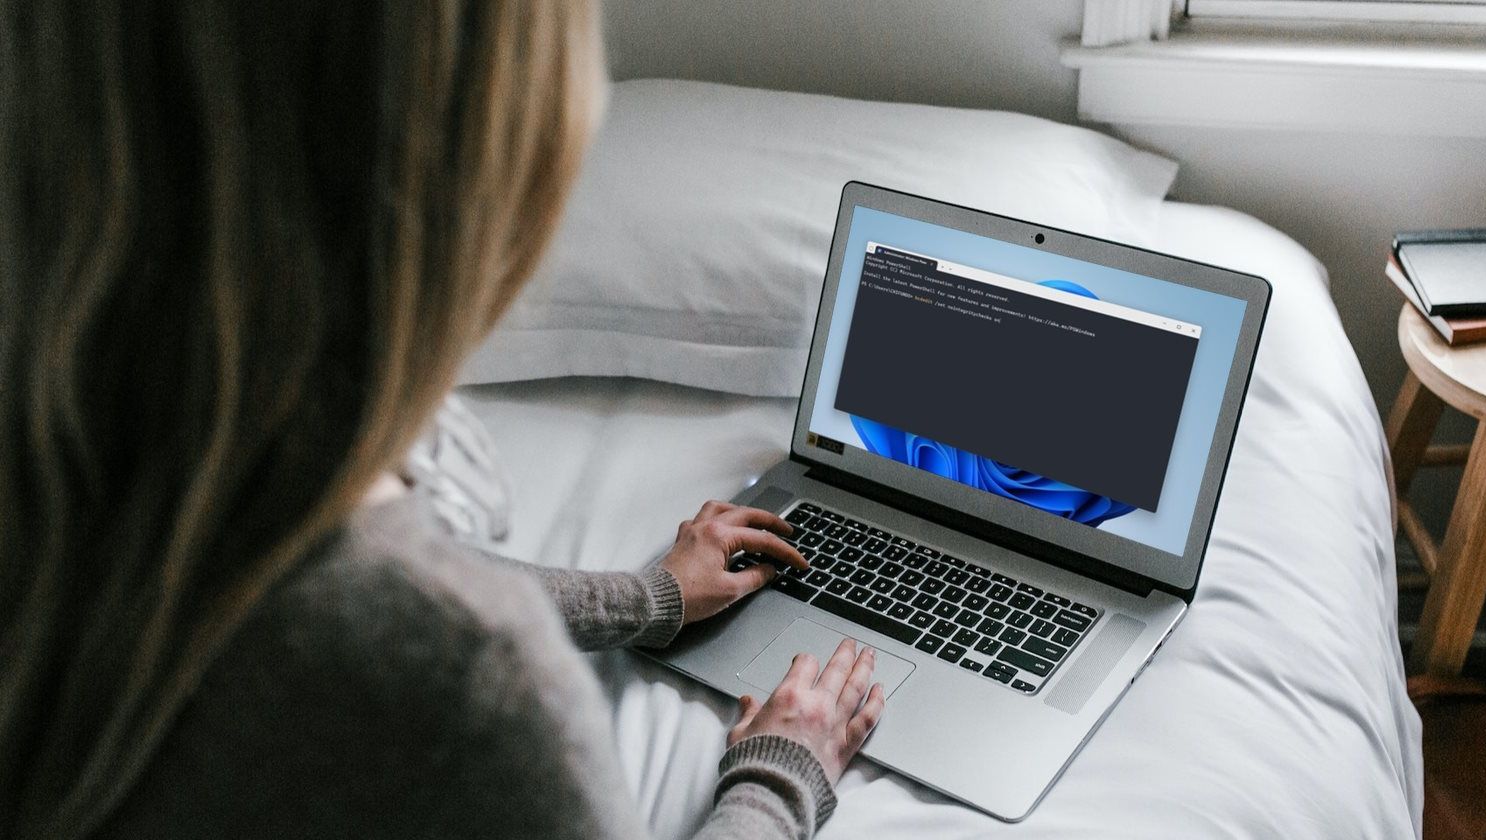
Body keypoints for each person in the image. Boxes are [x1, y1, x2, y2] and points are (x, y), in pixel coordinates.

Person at [0, 2, 882, 839]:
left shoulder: (83, 453)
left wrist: (643, 598)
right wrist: (781, 773)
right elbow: (382, 618)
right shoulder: (470, 685)